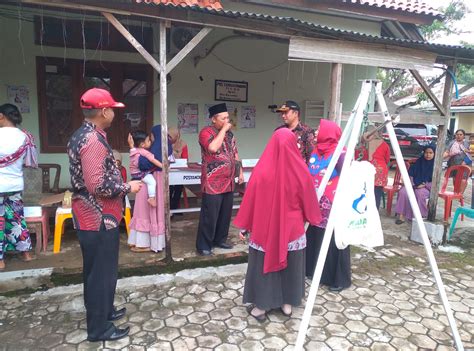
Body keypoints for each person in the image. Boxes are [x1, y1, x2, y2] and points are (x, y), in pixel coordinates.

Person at [67, 88, 142, 342]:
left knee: (102, 271)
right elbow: (97, 185)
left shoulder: (84, 135)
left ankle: (105, 311)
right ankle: (99, 329)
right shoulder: (93, 142)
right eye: (112, 109)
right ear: (103, 111)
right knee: (100, 273)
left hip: (97, 217)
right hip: (96, 217)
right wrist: (127, 187)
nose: (113, 113)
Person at [234, 128, 321, 321]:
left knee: (264, 265)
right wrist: (311, 218)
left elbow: (250, 202)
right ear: (293, 145)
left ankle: (261, 308)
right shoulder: (302, 172)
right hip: (293, 230)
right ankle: (287, 305)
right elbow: (310, 203)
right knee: (292, 265)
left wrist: (245, 226)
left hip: (265, 230)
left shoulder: (261, 171)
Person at [306, 119, 351, 292]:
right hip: (315, 205)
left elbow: (348, 177)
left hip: (333, 206)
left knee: (334, 242)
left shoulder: (341, 153)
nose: (316, 132)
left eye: (319, 129)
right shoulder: (316, 151)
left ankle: (338, 279)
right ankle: (315, 272)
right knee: (315, 238)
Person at [196, 103, 244, 256]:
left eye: (227, 118)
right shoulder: (206, 132)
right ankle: (204, 245)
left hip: (229, 180)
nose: (227, 121)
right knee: (210, 215)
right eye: (223, 118)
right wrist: (223, 130)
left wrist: (240, 171)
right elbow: (212, 148)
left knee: (225, 214)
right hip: (212, 182)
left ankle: (220, 239)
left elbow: (235, 153)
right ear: (213, 119)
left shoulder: (230, 135)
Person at [0, 103, 36, 270]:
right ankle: (26, 253)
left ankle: (0, 260)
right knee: (16, 219)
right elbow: (30, 163)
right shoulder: (26, 136)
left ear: (2, 116)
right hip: (16, 184)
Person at [128, 125, 169, 253]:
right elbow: (144, 163)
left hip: (145, 180)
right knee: (145, 211)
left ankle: (142, 242)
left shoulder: (153, 150)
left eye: (151, 137)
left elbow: (142, 162)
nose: (151, 140)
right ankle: (143, 242)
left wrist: (132, 147)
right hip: (146, 180)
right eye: (148, 139)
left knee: (143, 211)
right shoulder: (152, 150)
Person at [395, 145, 435, 224]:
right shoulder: (419, 162)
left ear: (434, 154)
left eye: (431, 153)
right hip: (413, 184)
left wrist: (424, 185)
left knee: (420, 194)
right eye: (426, 152)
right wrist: (412, 184)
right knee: (403, 192)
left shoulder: (435, 165)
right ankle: (401, 216)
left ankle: (419, 217)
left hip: (426, 187)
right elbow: (410, 175)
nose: (428, 155)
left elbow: (435, 181)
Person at [128, 130, 163, 208]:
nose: (150, 141)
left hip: (133, 173)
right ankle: (151, 198)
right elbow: (153, 160)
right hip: (139, 173)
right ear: (142, 144)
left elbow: (132, 147)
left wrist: (131, 144)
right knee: (152, 182)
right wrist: (163, 166)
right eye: (148, 140)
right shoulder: (144, 152)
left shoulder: (134, 150)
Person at [359, 125, 391, 210]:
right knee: (377, 194)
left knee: (365, 192)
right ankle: (375, 213)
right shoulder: (384, 144)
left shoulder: (363, 144)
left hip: (366, 171)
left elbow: (358, 157)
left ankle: (364, 213)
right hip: (380, 172)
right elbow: (387, 159)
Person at [168, 127, 189, 212]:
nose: (169, 138)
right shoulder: (164, 143)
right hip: (167, 170)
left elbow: (185, 159)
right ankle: (167, 208)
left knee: (178, 187)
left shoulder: (183, 144)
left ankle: (174, 208)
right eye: (168, 136)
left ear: (176, 136)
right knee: (169, 188)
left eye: (171, 136)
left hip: (179, 170)